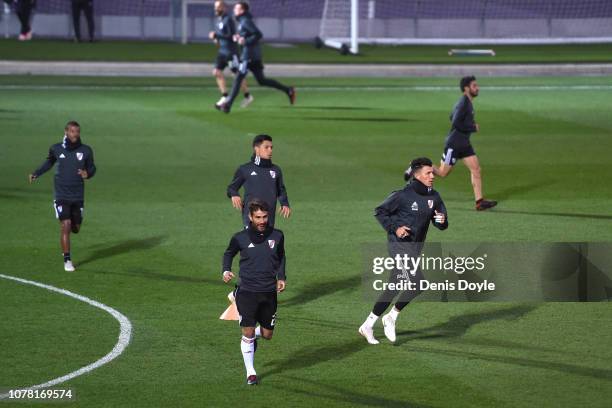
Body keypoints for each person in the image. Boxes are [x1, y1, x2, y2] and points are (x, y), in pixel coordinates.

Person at [359, 157, 448, 344]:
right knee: (418, 283)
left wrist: (442, 221)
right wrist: (395, 228)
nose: (433, 175)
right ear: (417, 175)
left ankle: (368, 325)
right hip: (398, 246)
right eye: (428, 173)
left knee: (395, 286)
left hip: (415, 248)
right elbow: (380, 211)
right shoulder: (402, 195)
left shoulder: (435, 197)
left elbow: (441, 222)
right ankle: (391, 316)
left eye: (433, 172)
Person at [222, 199, 287, 385]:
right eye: (258, 217)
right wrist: (226, 270)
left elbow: (281, 255)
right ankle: (251, 373)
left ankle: (251, 338)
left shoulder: (278, 235)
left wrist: (281, 277)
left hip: (268, 292)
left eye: (265, 216)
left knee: (267, 335)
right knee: (248, 332)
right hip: (247, 291)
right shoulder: (240, 238)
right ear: (250, 217)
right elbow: (228, 253)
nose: (262, 221)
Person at [29, 121, 96, 272]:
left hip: (77, 195)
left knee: (76, 228)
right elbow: (49, 163)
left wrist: (88, 174)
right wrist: (36, 173)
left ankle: (70, 234)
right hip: (61, 195)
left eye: (77, 131)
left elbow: (92, 167)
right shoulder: (56, 148)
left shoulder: (86, 150)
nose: (75, 134)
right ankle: (67, 260)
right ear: (66, 132)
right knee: (65, 225)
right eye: (72, 131)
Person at [432, 75, 497, 211]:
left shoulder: (465, 102)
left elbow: (452, 116)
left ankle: (479, 202)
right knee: (443, 173)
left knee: (476, 169)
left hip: (464, 144)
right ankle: (417, 165)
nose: (477, 88)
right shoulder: (464, 103)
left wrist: (468, 124)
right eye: (474, 86)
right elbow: (455, 121)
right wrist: (472, 127)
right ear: (466, 88)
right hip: (454, 144)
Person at [217, 1, 295, 113]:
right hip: (254, 56)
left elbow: (258, 34)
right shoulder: (243, 21)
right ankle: (288, 90)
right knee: (262, 80)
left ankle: (228, 104)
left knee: (238, 78)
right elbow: (248, 35)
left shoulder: (245, 21)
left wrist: (245, 41)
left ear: (242, 10)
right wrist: (239, 37)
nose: (234, 10)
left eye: (236, 8)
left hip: (248, 57)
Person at [227, 134, 291, 227]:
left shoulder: (276, 170)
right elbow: (232, 188)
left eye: (271, 147)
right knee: (252, 240)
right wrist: (234, 194)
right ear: (256, 149)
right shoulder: (245, 169)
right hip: (250, 219)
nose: (270, 150)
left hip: (269, 219)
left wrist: (284, 203)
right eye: (266, 147)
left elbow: (280, 190)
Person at [209, 0, 253, 109]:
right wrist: (217, 40)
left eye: (218, 7)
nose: (216, 9)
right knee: (216, 72)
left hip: (230, 52)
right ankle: (225, 96)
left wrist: (217, 35)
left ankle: (248, 96)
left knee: (237, 75)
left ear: (224, 8)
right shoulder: (220, 20)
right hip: (222, 52)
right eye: (215, 7)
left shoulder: (228, 20)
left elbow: (231, 35)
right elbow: (222, 36)